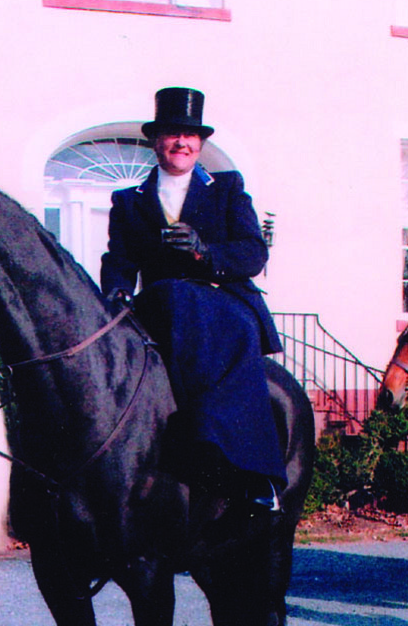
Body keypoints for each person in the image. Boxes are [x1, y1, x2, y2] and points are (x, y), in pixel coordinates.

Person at [100, 87, 286, 509]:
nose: (181, 143)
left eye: (190, 135)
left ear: (200, 143)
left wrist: (205, 252)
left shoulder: (226, 189)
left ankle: (256, 476)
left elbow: (253, 252)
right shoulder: (129, 202)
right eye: (171, 134)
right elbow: (119, 259)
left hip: (221, 300)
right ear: (156, 141)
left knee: (191, 306)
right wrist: (115, 292)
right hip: (163, 306)